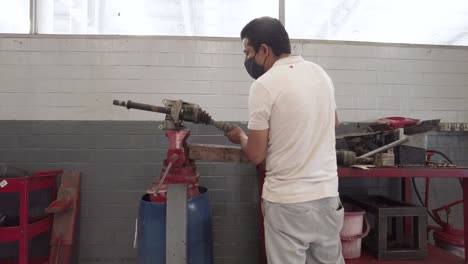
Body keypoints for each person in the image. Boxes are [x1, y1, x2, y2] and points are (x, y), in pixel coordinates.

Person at [225, 17, 344, 264]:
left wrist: (241, 138)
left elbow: (256, 155)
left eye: (248, 52)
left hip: (288, 204)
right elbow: (332, 122)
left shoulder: (264, 85)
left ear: (264, 49)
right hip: (328, 199)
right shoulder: (320, 74)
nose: (247, 60)